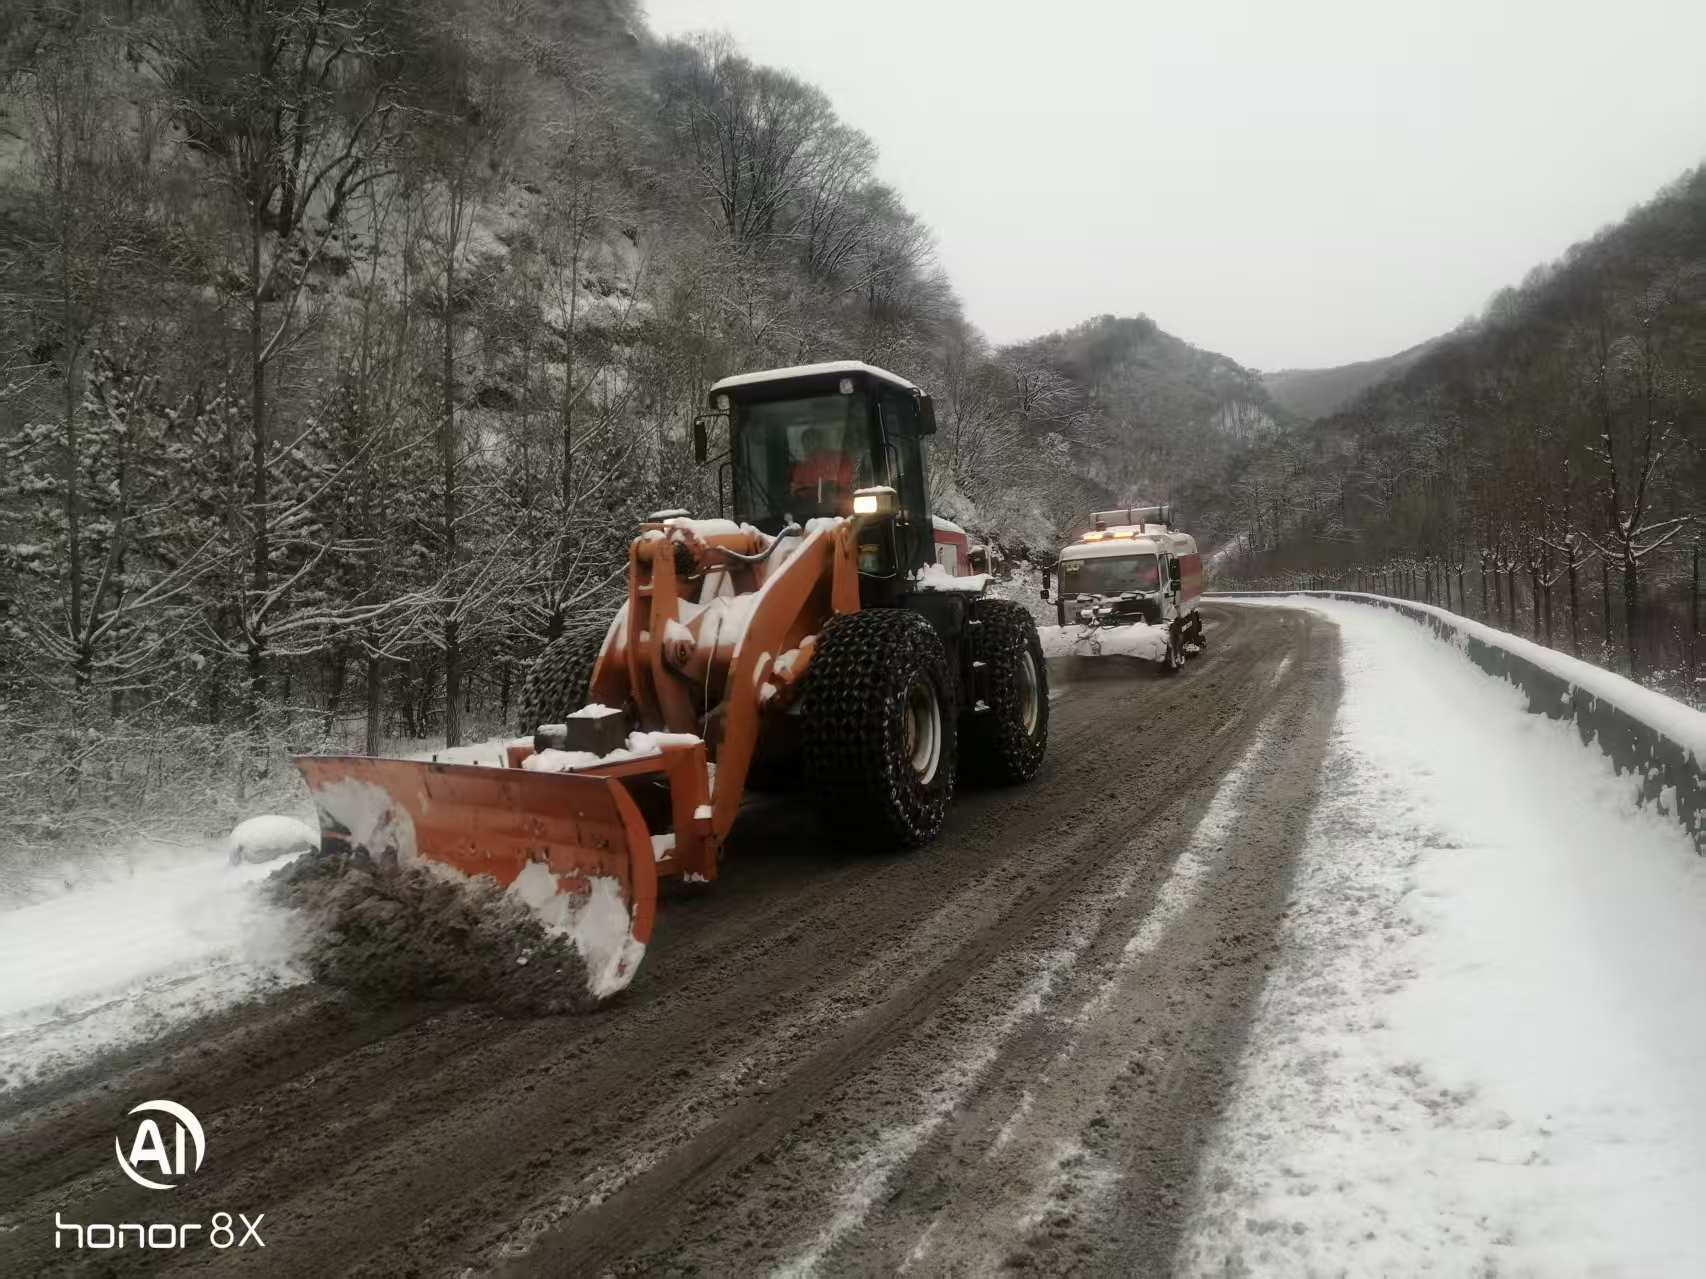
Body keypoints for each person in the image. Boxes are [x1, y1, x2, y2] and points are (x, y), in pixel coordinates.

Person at [787, 425, 853, 507]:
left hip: (839, 509)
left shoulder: (839, 459)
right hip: (809, 511)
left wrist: (831, 489)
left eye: (813, 441)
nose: (809, 445)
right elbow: (796, 491)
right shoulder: (801, 468)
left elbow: (847, 483)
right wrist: (811, 492)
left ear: (820, 442)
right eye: (806, 442)